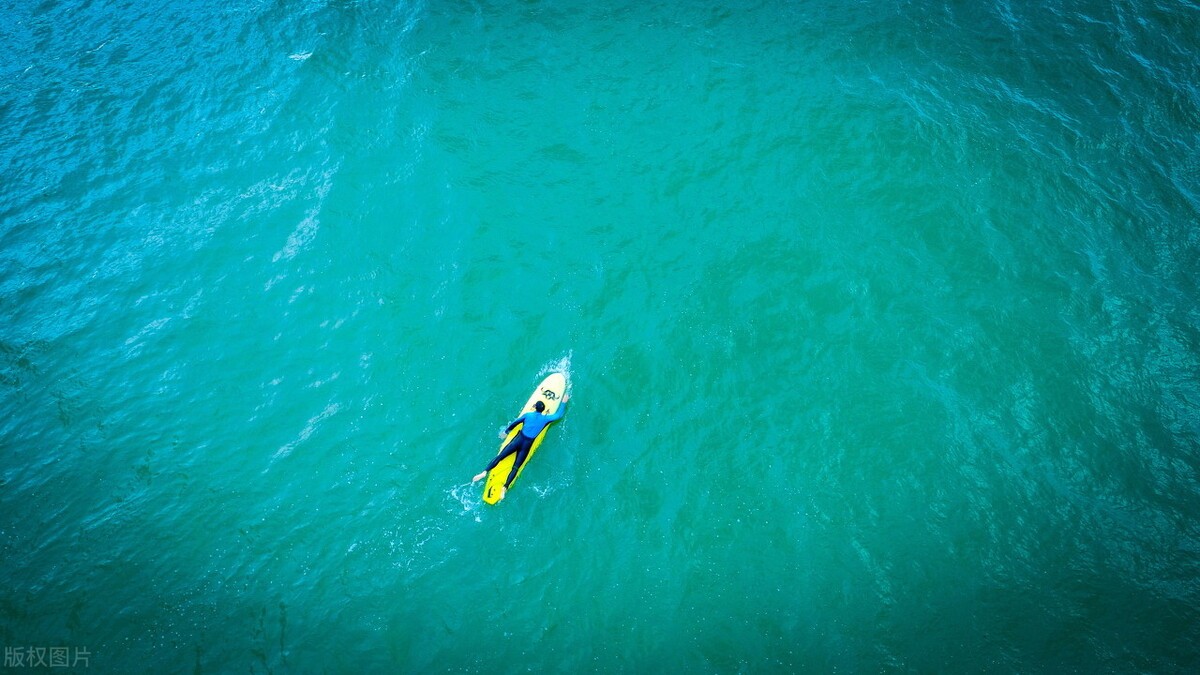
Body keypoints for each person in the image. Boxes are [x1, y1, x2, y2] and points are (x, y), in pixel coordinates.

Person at [473, 395, 570, 500]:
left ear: (535, 407)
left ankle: (484, 472)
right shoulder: (546, 419)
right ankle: (505, 487)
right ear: (543, 410)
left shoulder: (528, 415)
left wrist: (506, 432)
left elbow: (515, 423)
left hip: (518, 441)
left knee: (500, 457)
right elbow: (559, 415)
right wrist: (563, 402)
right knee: (516, 467)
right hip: (526, 445)